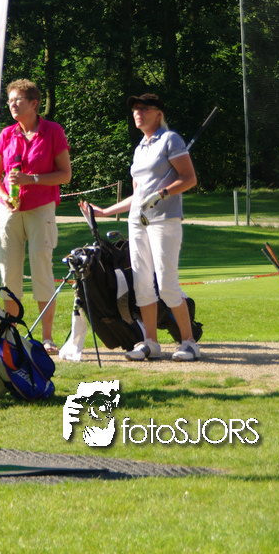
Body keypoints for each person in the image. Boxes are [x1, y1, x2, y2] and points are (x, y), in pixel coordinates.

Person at [80, 93, 202, 362]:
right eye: (135, 109)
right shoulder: (140, 148)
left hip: (164, 220)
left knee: (167, 284)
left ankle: (189, 342)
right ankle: (151, 343)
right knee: (142, 283)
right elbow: (138, 195)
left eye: (144, 108)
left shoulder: (170, 139)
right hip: (137, 221)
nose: (138, 112)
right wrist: (105, 212)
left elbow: (189, 178)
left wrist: (162, 193)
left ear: (158, 114)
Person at [0, 79, 71, 353]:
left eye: (17, 100)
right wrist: (4, 196)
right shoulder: (6, 134)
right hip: (9, 211)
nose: (12, 104)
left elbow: (65, 175)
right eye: (10, 100)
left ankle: (47, 338)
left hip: (41, 209)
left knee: (41, 270)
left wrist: (31, 179)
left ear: (34, 104)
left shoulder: (53, 131)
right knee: (8, 274)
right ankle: (11, 336)